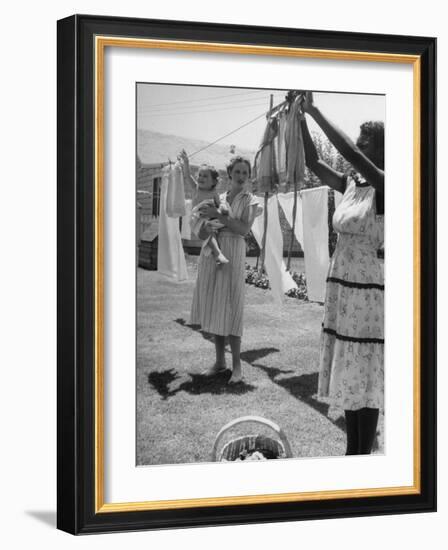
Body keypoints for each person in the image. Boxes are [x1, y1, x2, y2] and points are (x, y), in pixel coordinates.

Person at [301, 91, 384, 455]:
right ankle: (355, 450)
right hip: (343, 287)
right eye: (360, 140)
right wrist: (298, 118)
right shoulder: (353, 186)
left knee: (364, 369)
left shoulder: (386, 185)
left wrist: (314, 109)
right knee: (351, 370)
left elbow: (349, 152)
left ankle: (361, 452)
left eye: (366, 144)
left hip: (367, 290)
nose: (358, 148)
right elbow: (313, 161)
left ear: (380, 152)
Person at [189, 156, 262, 383]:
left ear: (249, 176)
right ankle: (220, 362)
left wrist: (219, 216)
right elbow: (200, 232)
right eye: (237, 172)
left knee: (233, 305)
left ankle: (237, 367)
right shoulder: (216, 197)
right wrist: (204, 226)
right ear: (229, 174)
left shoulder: (250, 200)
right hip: (214, 251)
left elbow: (242, 229)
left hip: (234, 250)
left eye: (245, 173)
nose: (241, 176)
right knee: (217, 305)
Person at [178, 149, 230, 265]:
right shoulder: (195, 188)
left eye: (205, 176)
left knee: (213, 233)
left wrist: (222, 208)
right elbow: (187, 175)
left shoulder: (214, 193)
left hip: (209, 219)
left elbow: (219, 204)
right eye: (200, 175)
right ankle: (217, 253)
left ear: (213, 182)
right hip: (197, 219)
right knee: (208, 231)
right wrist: (186, 162)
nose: (201, 178)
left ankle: (215, 255)